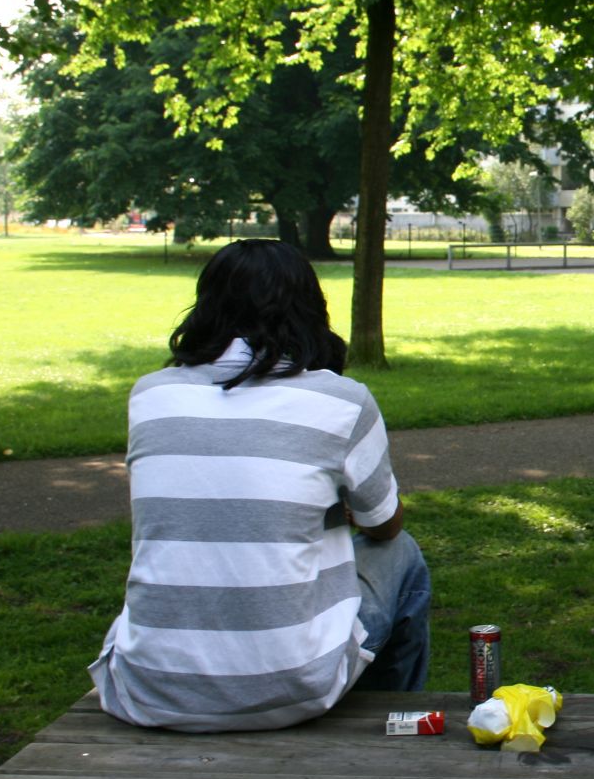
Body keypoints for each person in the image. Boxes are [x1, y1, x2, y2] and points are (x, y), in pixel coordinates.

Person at [90, 239, 430, 731]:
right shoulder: (341, 401)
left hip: (150, 686)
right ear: (311, 310)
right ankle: (386, 723)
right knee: (404, 556)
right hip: (291, 686)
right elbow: (384, 525)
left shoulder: (151, 395)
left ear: (207, 305)